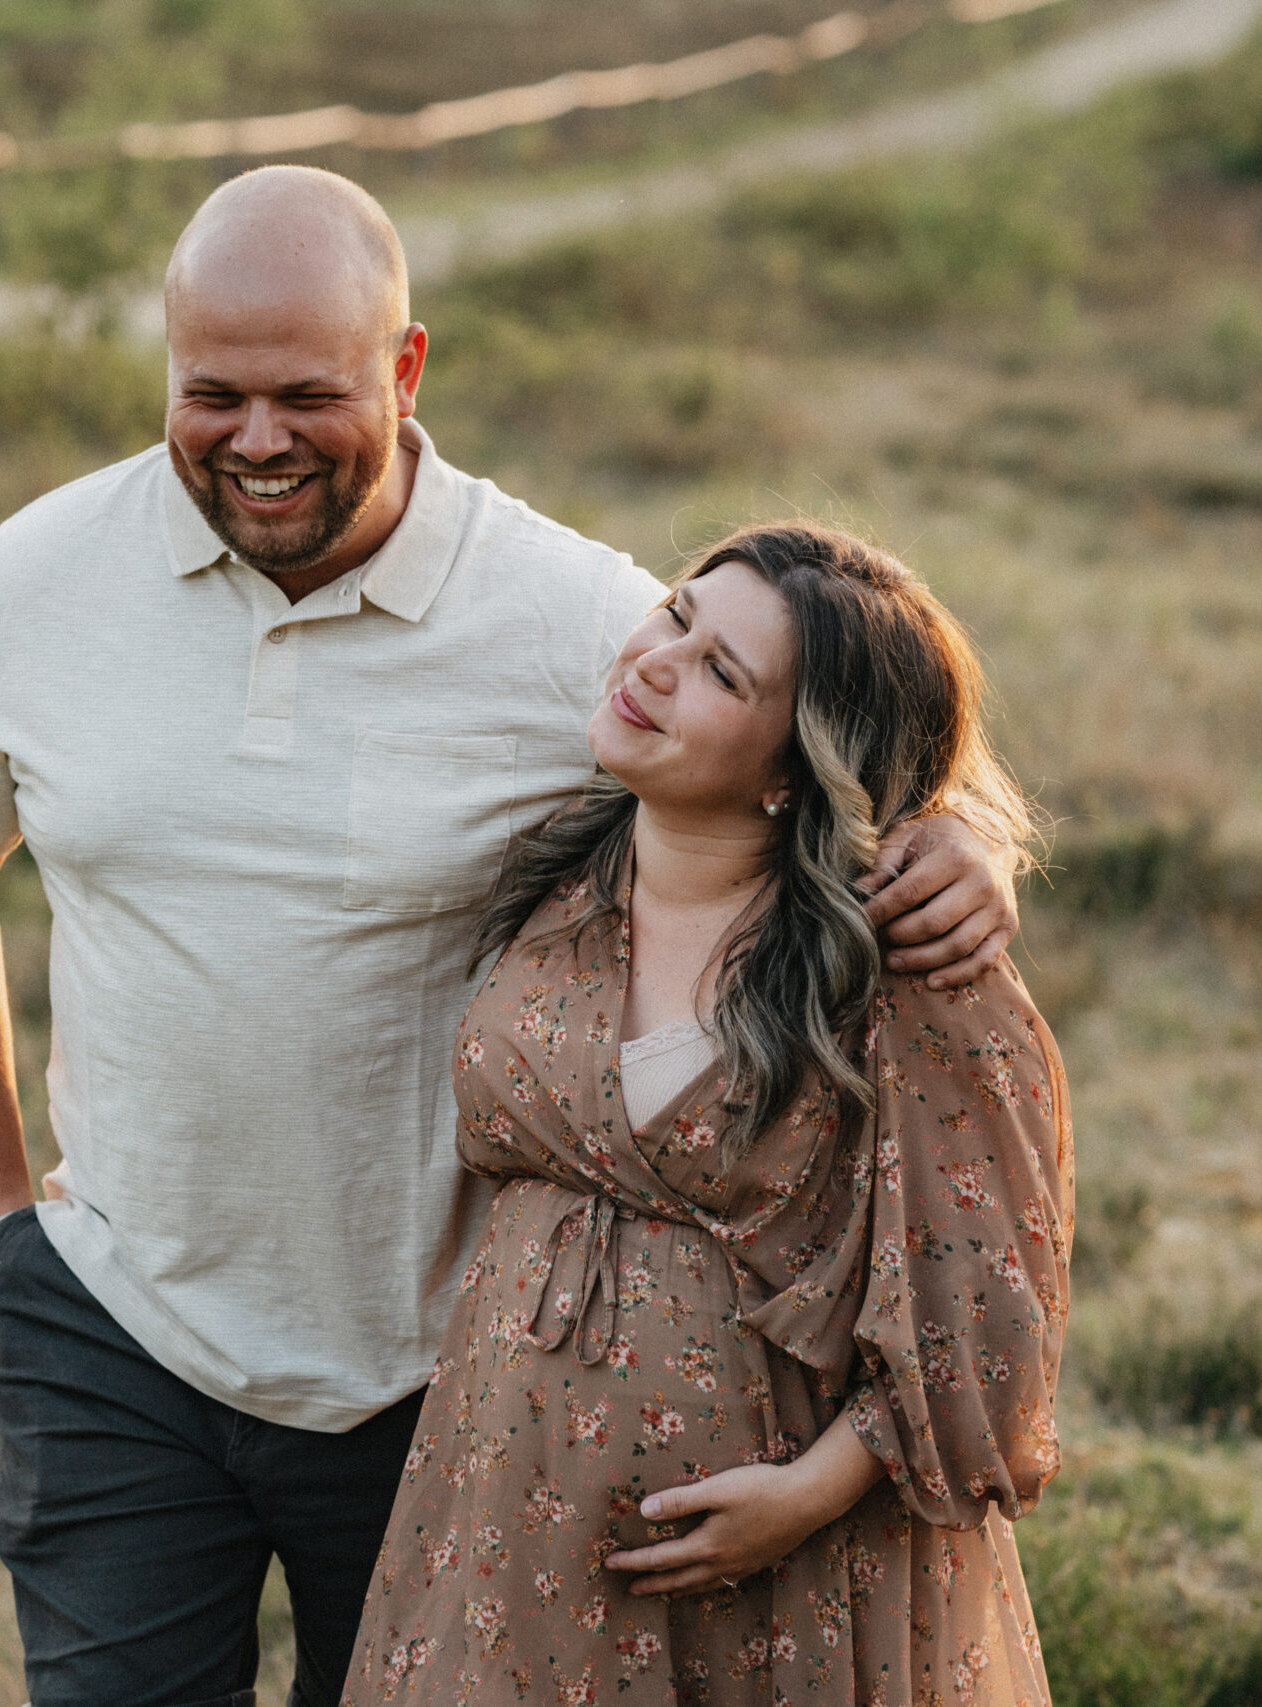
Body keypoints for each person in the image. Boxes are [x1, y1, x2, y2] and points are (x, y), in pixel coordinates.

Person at [0, 165, 1025, 1707]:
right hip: (109, 1326)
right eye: (211, 391)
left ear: (407, 370)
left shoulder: (569, 622)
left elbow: (820, 722)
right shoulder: (38, 577)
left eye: (306, 393)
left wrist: (970, 828)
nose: (257, 439)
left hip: (453, 1378)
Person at [342, 521, 1071, 1707]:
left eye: (725, 673)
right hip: (500, 1536)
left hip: (783, 1586)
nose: (656, 663)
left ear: (797, 766)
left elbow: (988, 1311)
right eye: (677, 615)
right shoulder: (556, 880)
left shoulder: (908, 966)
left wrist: (809, 1495)